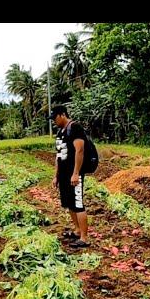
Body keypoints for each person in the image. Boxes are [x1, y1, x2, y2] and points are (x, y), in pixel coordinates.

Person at [50, 105, 90, 248]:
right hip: (64, 175)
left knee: (78, 204)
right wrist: (56, 176)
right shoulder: (60, 132)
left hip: (74, 174)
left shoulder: (75, 128)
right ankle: (77, 230)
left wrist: (76, 173)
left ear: (62, 115)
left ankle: (84, 238)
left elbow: (80, 150)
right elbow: (58, 156)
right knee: (69, 203)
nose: (54, 121)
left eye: (55, 117)